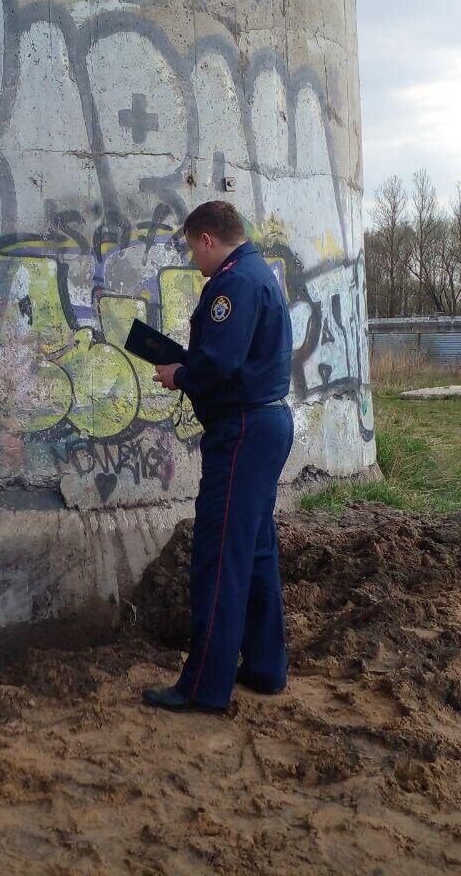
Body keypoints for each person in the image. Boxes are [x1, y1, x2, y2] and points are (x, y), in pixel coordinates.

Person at [142, 201, 295, 714]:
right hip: (265, 422)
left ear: (207, 239)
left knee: (220, 556)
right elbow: (237, 357)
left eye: (192, 248)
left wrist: (179, 375)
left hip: (243, 429)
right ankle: (265, 667)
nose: (193, 260)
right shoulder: (259, 273)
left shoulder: (234, 283)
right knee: (253, 552)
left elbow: (223, 363)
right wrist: (192, 365)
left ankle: (203, 688)